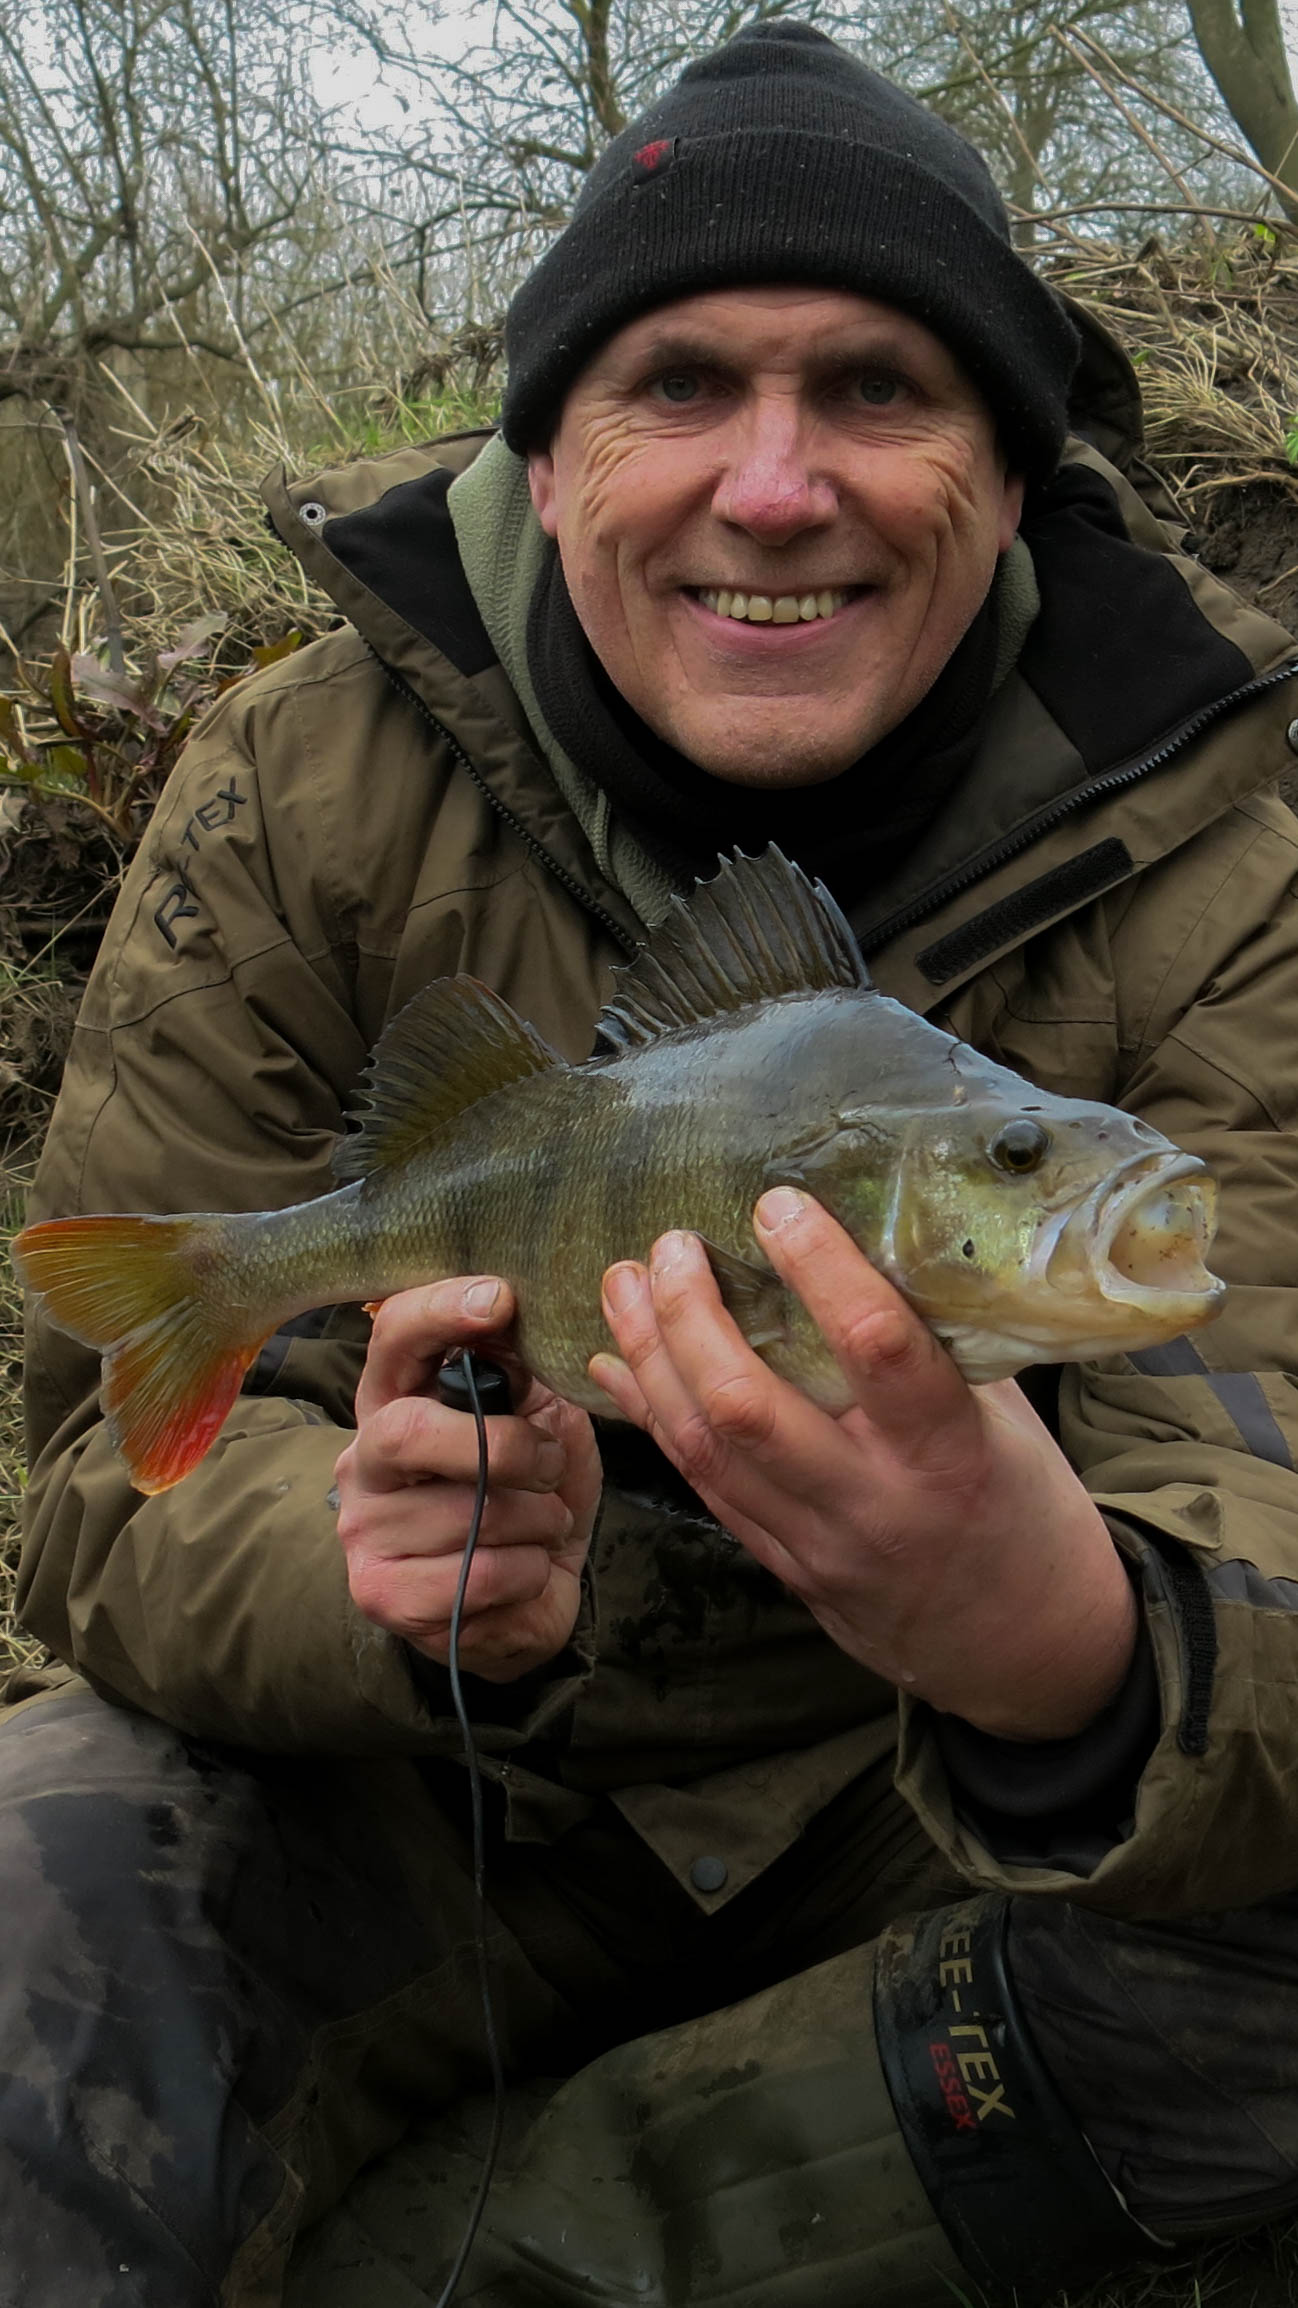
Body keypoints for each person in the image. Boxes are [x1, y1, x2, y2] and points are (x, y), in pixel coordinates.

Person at [6, 19, 1298, 2306]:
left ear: (1008, 465)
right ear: (550, 448)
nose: (773, 484)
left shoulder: (1233, 864)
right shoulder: (298, 790)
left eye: (881, 388)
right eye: (677, 383)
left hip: (928, 1840)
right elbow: (93, 1500)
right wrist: (381, 1575)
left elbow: (1271, 1494)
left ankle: (458, 2245)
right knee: (41, 1872)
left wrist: (1069, 1651)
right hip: (443, 1807)